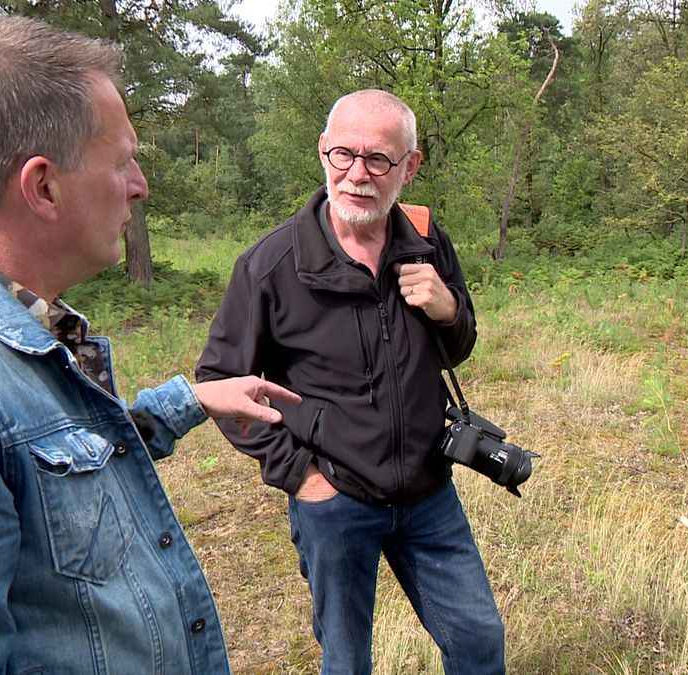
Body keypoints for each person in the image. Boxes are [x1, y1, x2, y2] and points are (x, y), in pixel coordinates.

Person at [0, 16, 301, 674]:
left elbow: (63, 465)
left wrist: (192, 400)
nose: (139, 183)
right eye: (122, 160)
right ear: (43, 187)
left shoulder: (17, 330)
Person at [196, 89, 506, 674]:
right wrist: (300, 475)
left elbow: (457, 349)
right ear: (323, 152)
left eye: (378, 159)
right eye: (344, 154)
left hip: (429, 492)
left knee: (478, 640)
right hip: (334, 500)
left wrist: (447, 309)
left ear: (409, 167)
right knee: (346, 660)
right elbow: (219, 380)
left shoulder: (426, 243)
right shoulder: (271, 265)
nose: (357, 174)